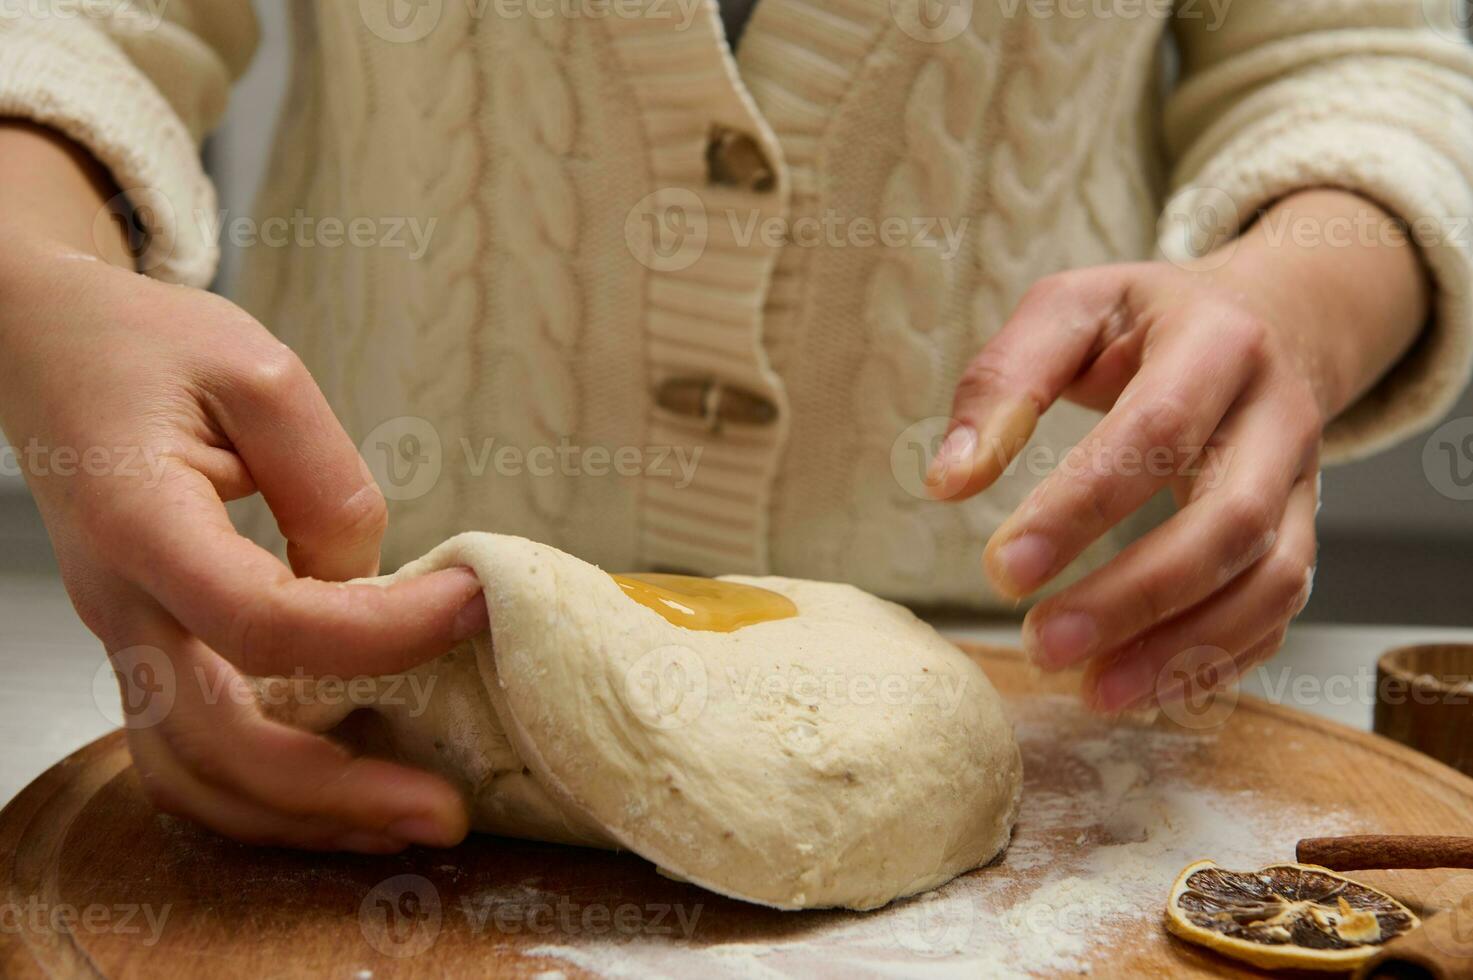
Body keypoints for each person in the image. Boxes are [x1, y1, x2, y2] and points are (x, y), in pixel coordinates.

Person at [0, 0, 1469, 853]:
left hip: (1032, 663)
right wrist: (37, 284)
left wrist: (1293, 299)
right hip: (368, 661)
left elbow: (1353, 52)